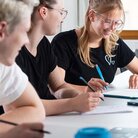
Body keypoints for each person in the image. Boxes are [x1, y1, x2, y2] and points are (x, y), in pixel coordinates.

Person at [16, 0, 103, 116]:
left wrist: (78, 96)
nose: (62, 19)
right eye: (61, 12)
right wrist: (72, 104)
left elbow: (59, 86)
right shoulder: (13, 51)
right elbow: (24, 107)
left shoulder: (44, 44)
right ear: (43, 12)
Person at [52, 0, 138, 90]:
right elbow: (56, 87)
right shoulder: (63, 42)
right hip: (72, 102)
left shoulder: (114, 42)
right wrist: (87, 90)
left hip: (105, 102)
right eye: (107, 21)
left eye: (116, 23)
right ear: (92, 16)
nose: (113, 28)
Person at [0, 0, 45, 133]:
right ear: (2, 30)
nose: (26, 40)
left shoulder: (4, 67)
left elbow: (36, 109)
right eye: (25, 31)